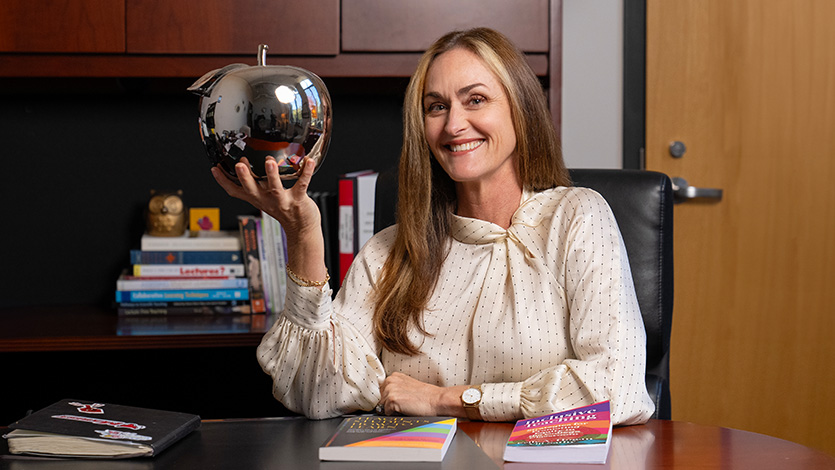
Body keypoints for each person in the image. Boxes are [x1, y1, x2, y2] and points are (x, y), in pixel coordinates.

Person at [212, 27, 655, 425]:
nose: (454, 124)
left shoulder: (576, 217)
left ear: (520, 109)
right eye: (436, 107)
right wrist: (303, 235)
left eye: (475, 99)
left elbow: (616, 388)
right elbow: (318, 393)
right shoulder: (390, 251)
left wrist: (450, 400)